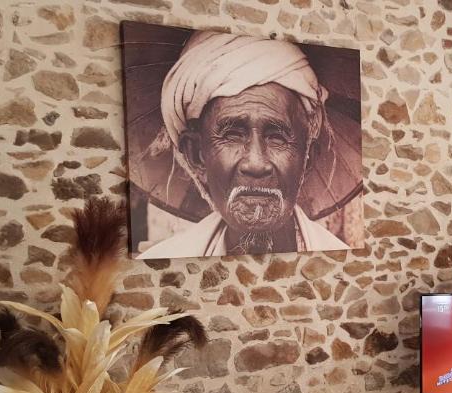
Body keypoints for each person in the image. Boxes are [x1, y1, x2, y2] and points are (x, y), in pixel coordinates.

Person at [138, 32, 349, 258]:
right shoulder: (161, 267)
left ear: (307, 158)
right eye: (232, 135)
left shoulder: (349, 271)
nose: (256, 164)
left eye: (277, 137)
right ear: (197, 155)